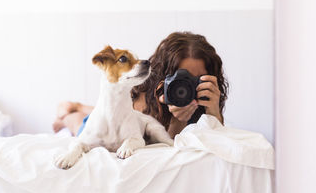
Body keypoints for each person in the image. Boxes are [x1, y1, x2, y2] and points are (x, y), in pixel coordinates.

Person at [53, 32, 229, 138]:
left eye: (196, 79)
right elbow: (161, 147)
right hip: (110, 123)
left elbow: (218, 139)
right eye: (181, 78)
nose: (185, 87)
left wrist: (213, 112)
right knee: (80, 125)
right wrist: (176, 121)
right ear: (164, 76)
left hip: (122, 114)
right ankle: (68, 115)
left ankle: (78, 105)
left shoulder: (204, 100)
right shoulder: (149, 96)